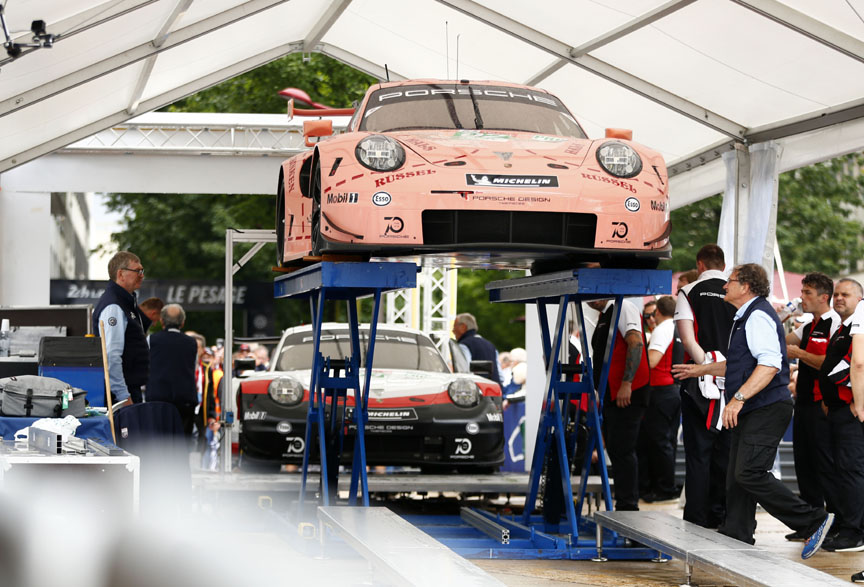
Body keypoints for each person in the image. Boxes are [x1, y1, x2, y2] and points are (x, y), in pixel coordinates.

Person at [673, 263, 833, 558]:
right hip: (756, 408)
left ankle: (813, 520)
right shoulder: (745, 316)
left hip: (766, 408)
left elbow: (770, 365)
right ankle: (736, 534)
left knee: (748, 472)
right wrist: (701, 369)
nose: (724, 286)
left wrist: (738, 398)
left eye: (730, 281)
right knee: (736, 476)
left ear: (745, 286)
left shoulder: (757, 315)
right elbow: (738, 363)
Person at [673, 244, 736, 528]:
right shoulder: (738, 291)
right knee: (727, 451)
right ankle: (722, 513)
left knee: (698, 453)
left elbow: (687, 339)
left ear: (699, 265)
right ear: (723, 266)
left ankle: (696, 519)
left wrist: (704, 369)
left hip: (699, 382)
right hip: (736, 379)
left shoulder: (689, 291)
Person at [784, 272, 841, 540]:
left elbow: (827, 363)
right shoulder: (808, 325)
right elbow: (784, 343)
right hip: (804, 402)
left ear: (823, 297)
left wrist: (801, 355)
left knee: (824, 466)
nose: (802, 297)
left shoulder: (834, 323)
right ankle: (811, 522)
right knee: (803, 464)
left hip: (822, 404)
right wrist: (780, 318)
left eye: (807, 293)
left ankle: (837, 523)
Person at [588, 296, 650, 511]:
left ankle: (628, 505)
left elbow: (636, 342)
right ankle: (624, 501)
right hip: (612, 393)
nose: (590, 299)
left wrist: (627, 383)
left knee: (622, 449)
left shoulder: (623, 307)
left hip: (626, 393)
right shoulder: (606, 314)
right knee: (615, 448)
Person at [818, 278, 864, 552]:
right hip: (839, 409)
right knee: (843, 471)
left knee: (850, 471)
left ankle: (854, 532)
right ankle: (848, 526)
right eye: (836, 294)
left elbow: (859, 364)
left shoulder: (859, 322)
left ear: (860, 298)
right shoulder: (844, 326)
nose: (838, 298)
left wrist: (858, 404)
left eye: (845, 294)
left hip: (851, 412)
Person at [92, 251, 148, 406]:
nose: (142, 275)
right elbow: (111, 356)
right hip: (121, 396)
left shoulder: (122, 302)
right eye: (138, 271)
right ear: (121, 274)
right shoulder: (114, 306)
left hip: (126, 391)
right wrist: (124, 396)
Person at [639, 296, 681, 502]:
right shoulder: (678, 327)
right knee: (666, 441)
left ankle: (664, 487)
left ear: (657, 313)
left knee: (658, 441)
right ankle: (664, 485)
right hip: (672, 389)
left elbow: (652, 361)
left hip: (661, 389)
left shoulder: (663, 329)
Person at [146, 304, 198, 439]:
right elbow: (195, 367)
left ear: (162, 321)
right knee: (183, 444)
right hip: (185, 400)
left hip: (157, 400)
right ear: (182, 322)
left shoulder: (151, 340)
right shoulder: (192, 342)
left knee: (158, 443)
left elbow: (145, 366)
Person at [453, 313, 501, 386]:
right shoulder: (491, 345)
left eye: (454, 326)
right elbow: (501, 375)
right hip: (495, 391)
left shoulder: (464, 345)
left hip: (477, 391)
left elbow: (464, 372)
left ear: (463, 327)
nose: (453, 330)